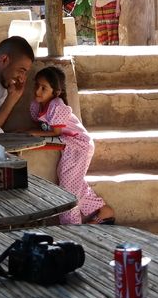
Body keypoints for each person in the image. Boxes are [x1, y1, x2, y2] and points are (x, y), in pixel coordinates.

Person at [26, 66, 114, 224]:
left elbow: (56, 132)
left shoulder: (57, 105)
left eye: (44, 88)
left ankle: (72, 228)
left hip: (79, 146)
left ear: (56, 92)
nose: (38, 91)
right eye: (36, 85)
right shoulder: (37, 105)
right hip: (69, 146)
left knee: (67, 188)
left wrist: (34, 133)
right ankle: (103, 211)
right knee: (72, 182)